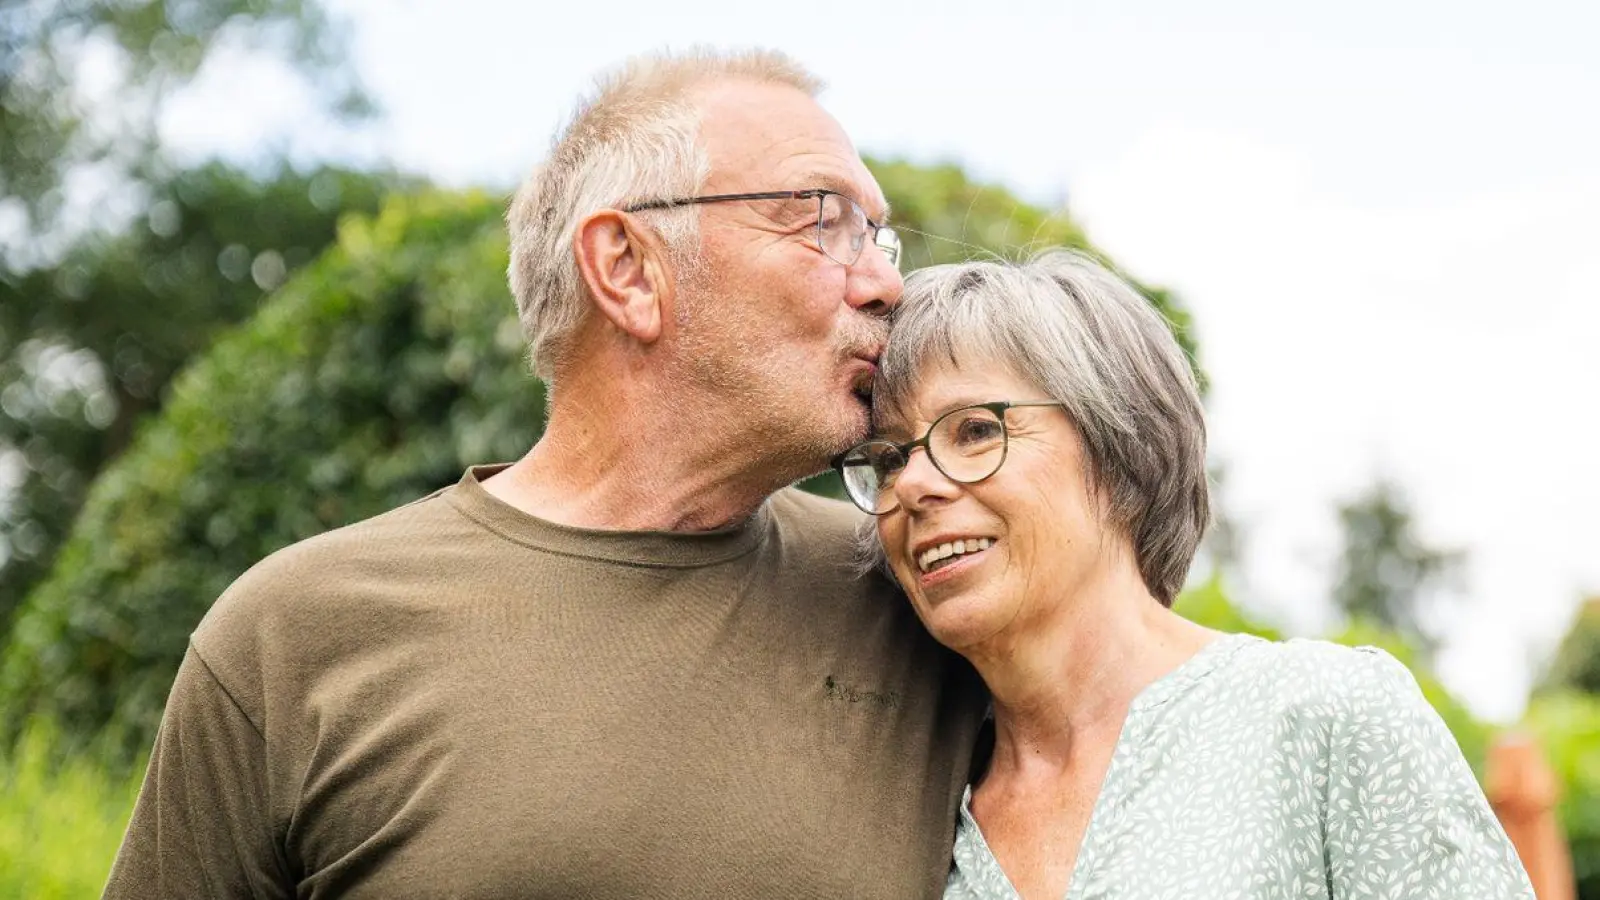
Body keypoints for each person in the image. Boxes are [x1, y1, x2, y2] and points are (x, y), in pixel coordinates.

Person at [104, 49, 987, 899]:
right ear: (628, 269)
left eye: (880, 237)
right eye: (819, 216)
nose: (885, 285)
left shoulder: (929, 587)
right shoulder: (294, 635)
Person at [834, 252, 1535, 899]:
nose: (914, 485)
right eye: (890, 458)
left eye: (975, 430)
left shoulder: (1324, 717)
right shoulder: (915, 806)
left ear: (1118, 448)